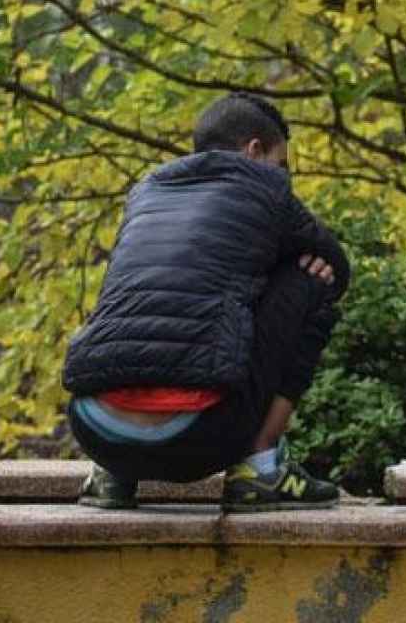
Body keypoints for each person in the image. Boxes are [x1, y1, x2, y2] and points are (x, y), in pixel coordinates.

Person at [62, 92, 349, 511]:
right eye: (281, 163)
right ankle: (261, 471)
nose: (285, 177)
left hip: (93, 428)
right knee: (311, 277)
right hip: (199, 434)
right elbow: (337, 267)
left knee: (141, 289)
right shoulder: (265, 186)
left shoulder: (146, 192)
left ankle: (110, 477)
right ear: (254, 150)